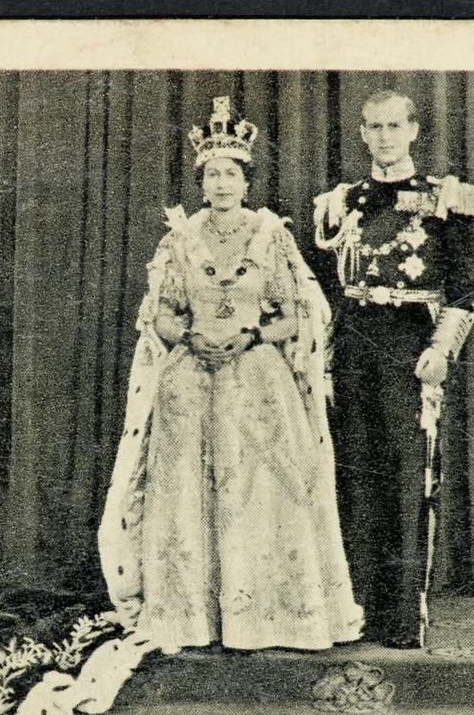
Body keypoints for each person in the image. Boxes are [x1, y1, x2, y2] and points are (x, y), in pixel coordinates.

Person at [99, 96, 362, 654]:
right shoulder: (179, 238)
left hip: (257, 378)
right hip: (190, 378)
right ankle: (193, 619)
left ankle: (267, 618)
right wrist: (187, 337)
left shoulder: (271, 235)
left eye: (231, 174)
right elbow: (160, 312)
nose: (221, 183)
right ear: (202, 184)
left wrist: (250, 336)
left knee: (261, 490)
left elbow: (293, 316)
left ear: (245, 181)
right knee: (186, 492)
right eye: (212, 174)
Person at [313, 89, 474, 648]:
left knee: (407, 480)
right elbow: (328, 293)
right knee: (353, 475)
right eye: (374, 127)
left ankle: (402, 618)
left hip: (410, 346)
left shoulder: (445, 199)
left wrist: (442, 350)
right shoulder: (342, 202)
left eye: (394, 126)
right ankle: (354, 610)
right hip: (353, 346)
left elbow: (465, 292)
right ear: (363, 134)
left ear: (413, 131)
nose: (384, 137)